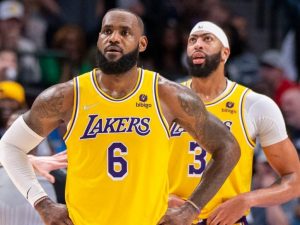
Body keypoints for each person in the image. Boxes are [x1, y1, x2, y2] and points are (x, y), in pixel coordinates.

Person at [0, 9, 240, 225]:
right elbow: (9, 146)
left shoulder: (168, 95)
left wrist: (190, 210)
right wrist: (42, 204)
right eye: (107, 31)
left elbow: (228, 147)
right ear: (99, 39)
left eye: (125, 32)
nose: (114, 38)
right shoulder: (66, 96)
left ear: (142, 43)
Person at [168, 21, 300, 225]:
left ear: (225, 53)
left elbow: (294, 179)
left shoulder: (254, 104)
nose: (198, 44)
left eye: (207, 39)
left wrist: (247, 199)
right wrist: (159, 197)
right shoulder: (165, 99)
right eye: (192, 40)